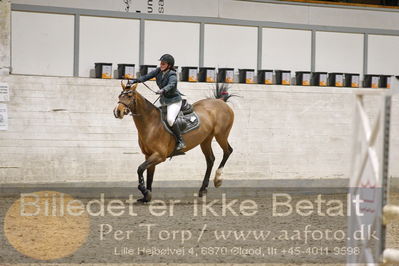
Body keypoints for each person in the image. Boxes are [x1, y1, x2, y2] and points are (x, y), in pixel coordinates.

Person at [130, 54, 186, 151]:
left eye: (163, 63)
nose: (161, 65)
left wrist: (163, 90)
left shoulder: (172, 74)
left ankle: (180, 141)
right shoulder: (158, 71)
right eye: (160, 63)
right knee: (151, 115)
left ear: (169, 65)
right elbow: (147, 76)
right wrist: (135, 81)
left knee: (170, 120)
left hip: (173, 101)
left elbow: (171, 85)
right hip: (163, 100)